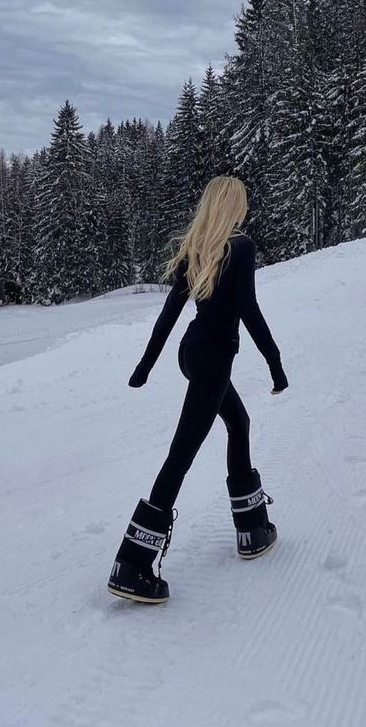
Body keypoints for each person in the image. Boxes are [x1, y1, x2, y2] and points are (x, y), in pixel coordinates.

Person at [107, 176, 289, 604]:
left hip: (192, 354)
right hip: (213, 361)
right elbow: (248, 308)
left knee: (238, 422)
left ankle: (252, 528)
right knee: (181, 456)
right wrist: (275, 363)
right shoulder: (240, 246)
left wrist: (146, 366)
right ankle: (131, 565)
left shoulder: (201, 246)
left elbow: (170, 314)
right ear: (234, 206)